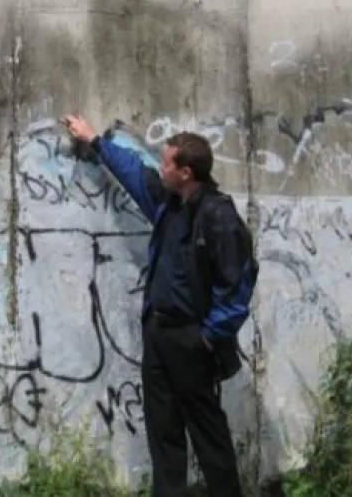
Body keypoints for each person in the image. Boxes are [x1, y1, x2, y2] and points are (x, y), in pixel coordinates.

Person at [62, 115, 258, 497]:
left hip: (191, 340)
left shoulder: (219, 217)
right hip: (159, 333)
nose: (160, 167)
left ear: (185, 172)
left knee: (207, 432)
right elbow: (134, 173)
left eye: (167, 163)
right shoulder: (168, 203)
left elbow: (237, 287)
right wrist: (95, 141)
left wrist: (208, 336)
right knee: (163, 430)